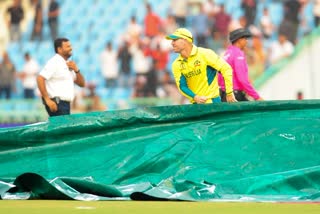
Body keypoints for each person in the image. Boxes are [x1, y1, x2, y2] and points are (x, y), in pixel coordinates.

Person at [166, 28, 236, 104]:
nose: (172, 43)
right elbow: (182, 86)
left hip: (213, 103)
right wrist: (195, 97)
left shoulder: (205, 54)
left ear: (185, 40)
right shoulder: (176, 64)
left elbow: (226, 69)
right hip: (195, 105)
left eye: (175, 40)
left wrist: (229, 93)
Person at [36, 38, 85, 117]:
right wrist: (47, 100)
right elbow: (40, 78)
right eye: (67, 46)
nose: (71, 48)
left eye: (70, 46)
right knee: (64, 128)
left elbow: (82, 84)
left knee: (63, 128)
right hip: (57, 104)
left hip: (65, 105)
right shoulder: (55, 61)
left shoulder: (68, 64)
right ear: (59, 49)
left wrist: (76, 70)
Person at [218, 28, 263, 101]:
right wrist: (257, 97)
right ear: (239, 40)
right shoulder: (238, 54)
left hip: (224, 94)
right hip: (235, 95)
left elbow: (219, 78)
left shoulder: (226, 54)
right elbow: (242, 79)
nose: (247, 41)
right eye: (245, 38)